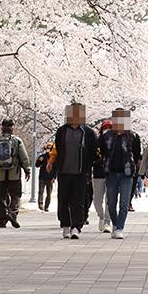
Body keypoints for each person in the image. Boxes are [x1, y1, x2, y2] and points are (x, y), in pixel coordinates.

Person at [52, 102, 97, 239]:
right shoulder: (62, 131)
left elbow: (94, 151)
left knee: (78, 200)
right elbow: (57, 149)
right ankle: (65, 225)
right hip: (64, 171)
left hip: (81, 172)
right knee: (63, 199)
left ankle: (76, 227)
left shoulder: (88, 132)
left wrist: (89, 167)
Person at [100, 107, 138, 239]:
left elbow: (137, 155)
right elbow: (103, 152)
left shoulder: (133, 136)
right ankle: (115, 224)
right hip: (111, 173)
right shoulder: (107, 136)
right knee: (111, 203)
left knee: (124, 203)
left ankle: (120, 228)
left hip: (126, 175)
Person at [0, 118, 30, 228]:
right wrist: (27, 170)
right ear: (12, 127)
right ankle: (12, 213)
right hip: (14, 174)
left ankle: (2, 221)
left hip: (0, 175)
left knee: (1, 197)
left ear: (2, 128)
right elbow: (24, 157)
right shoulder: (17, 140)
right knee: (15, 195)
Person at [92, 119, 112, 234]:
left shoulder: (115, 141)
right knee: (97, 199)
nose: (107, 130)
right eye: (105, 128)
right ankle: (101, 216)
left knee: (109, 198)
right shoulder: (96, 141)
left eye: (109, 128)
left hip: (111, 173)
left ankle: (107, 222)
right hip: (98, 172)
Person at [36, 140, 56, 212]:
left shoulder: (54, 158)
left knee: (49, 193)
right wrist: (39, 160)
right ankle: (40, 204)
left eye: (50, 148)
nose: (48, 149)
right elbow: (37, 165)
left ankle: (46, 206)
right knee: (41, 191)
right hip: (42, 177)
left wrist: (54, 177)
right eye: (47, 148)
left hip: (50, 177)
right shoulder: (42, 156)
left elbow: (56, 168)